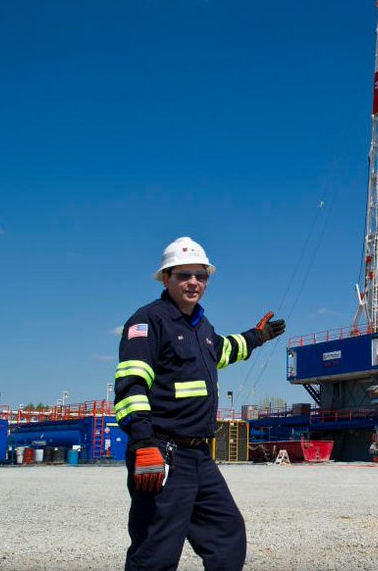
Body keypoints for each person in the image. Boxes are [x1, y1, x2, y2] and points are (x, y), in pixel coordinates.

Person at [114, 236, 285, 571]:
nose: (193, 282)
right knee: (156, 551)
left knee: (227, 536)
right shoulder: (148, 322)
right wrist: (144, 443)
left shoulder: (202, 327)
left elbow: (223, 350)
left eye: (200, 275)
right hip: (163, 453)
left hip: (199, 456)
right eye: (184, 275)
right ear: (166, 278)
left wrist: (257, 337)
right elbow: (131, 386)